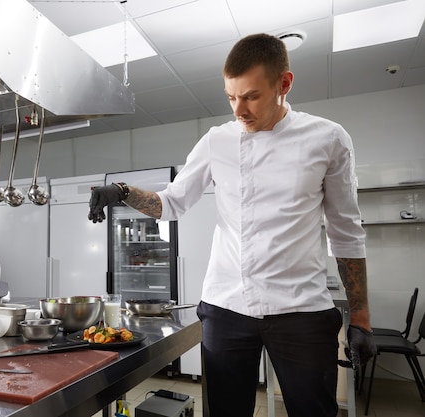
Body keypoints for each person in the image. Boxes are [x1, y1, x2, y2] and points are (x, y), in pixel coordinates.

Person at [88, 33, 375, 417]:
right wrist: (122, 191)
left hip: (301, 309)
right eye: (231, 97)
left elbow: (345, 230)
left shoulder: (327, 138)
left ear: (284, 84)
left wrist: (361, 317)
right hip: (226, 306)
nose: (239, 110)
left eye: (251, 96)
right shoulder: (217, 141)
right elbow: (172, 203)